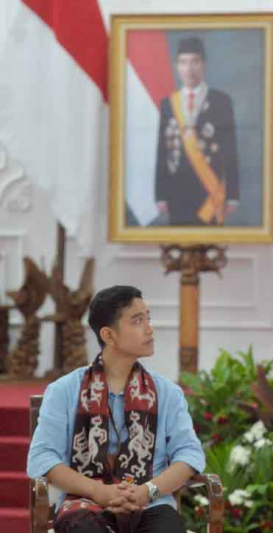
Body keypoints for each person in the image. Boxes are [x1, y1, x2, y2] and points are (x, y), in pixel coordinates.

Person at [27, 285, 205, 533]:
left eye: (148, 318)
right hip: (84, 502)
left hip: (150, 504)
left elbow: (189, 455)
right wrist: (97, 491)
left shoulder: (167, 393)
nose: (150, 329)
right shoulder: (64, 390)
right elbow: (41, 458)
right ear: (109, 335)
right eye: (137, 321)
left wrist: (147, 491)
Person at [155, 36, 240, 226]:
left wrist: (232, 196)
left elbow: (230, 150)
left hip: (210, 191)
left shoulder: (221, 101)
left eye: (195, 61)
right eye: (183, 62)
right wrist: (160, 195)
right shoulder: (168, 104)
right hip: (177, 190)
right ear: (177, 67)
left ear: (204, 64)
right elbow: (162, 151)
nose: (189, 69)